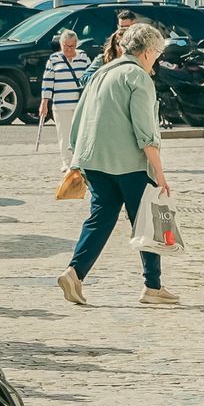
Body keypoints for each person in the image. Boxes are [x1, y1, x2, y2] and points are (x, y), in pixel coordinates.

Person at [57, 23, 178, 308]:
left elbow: (79, 117)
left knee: (101, 219)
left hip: (95, 162)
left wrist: (77, 158)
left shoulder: (102, 72)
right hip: (130, 164)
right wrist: (160, 174)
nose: (157, 60)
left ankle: (74, 272)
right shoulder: (138, 77)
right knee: (146, 221)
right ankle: (152, 286)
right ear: (148, 52)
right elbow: (145, 131)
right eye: (157, 54)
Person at [40, 29, 90, 171]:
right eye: (65, 46)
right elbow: (48, 81)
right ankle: (67, 163)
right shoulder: (54, 59)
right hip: (61, 104)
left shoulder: (83, 57)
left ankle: (80, 161)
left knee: (81, 134)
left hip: (80, 104)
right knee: (65, 134)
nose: (69, 49)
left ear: (76, 45)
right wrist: (44, 102)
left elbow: (90, 78)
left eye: (72, 46)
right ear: (61, 45)